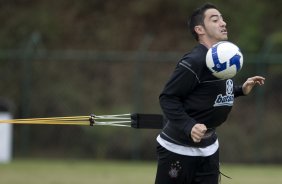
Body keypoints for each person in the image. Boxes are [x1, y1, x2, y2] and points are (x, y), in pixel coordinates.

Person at [155, 3, 265, 184]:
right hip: (177, 149)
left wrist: (240, 90)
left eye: (222, 18)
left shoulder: (223, 56)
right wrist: (189, 126)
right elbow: (168, 98)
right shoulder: (194, 61)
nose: (223, 23)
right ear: (199, 29)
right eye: (215, 19)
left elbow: (209, 92)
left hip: (209, 148)